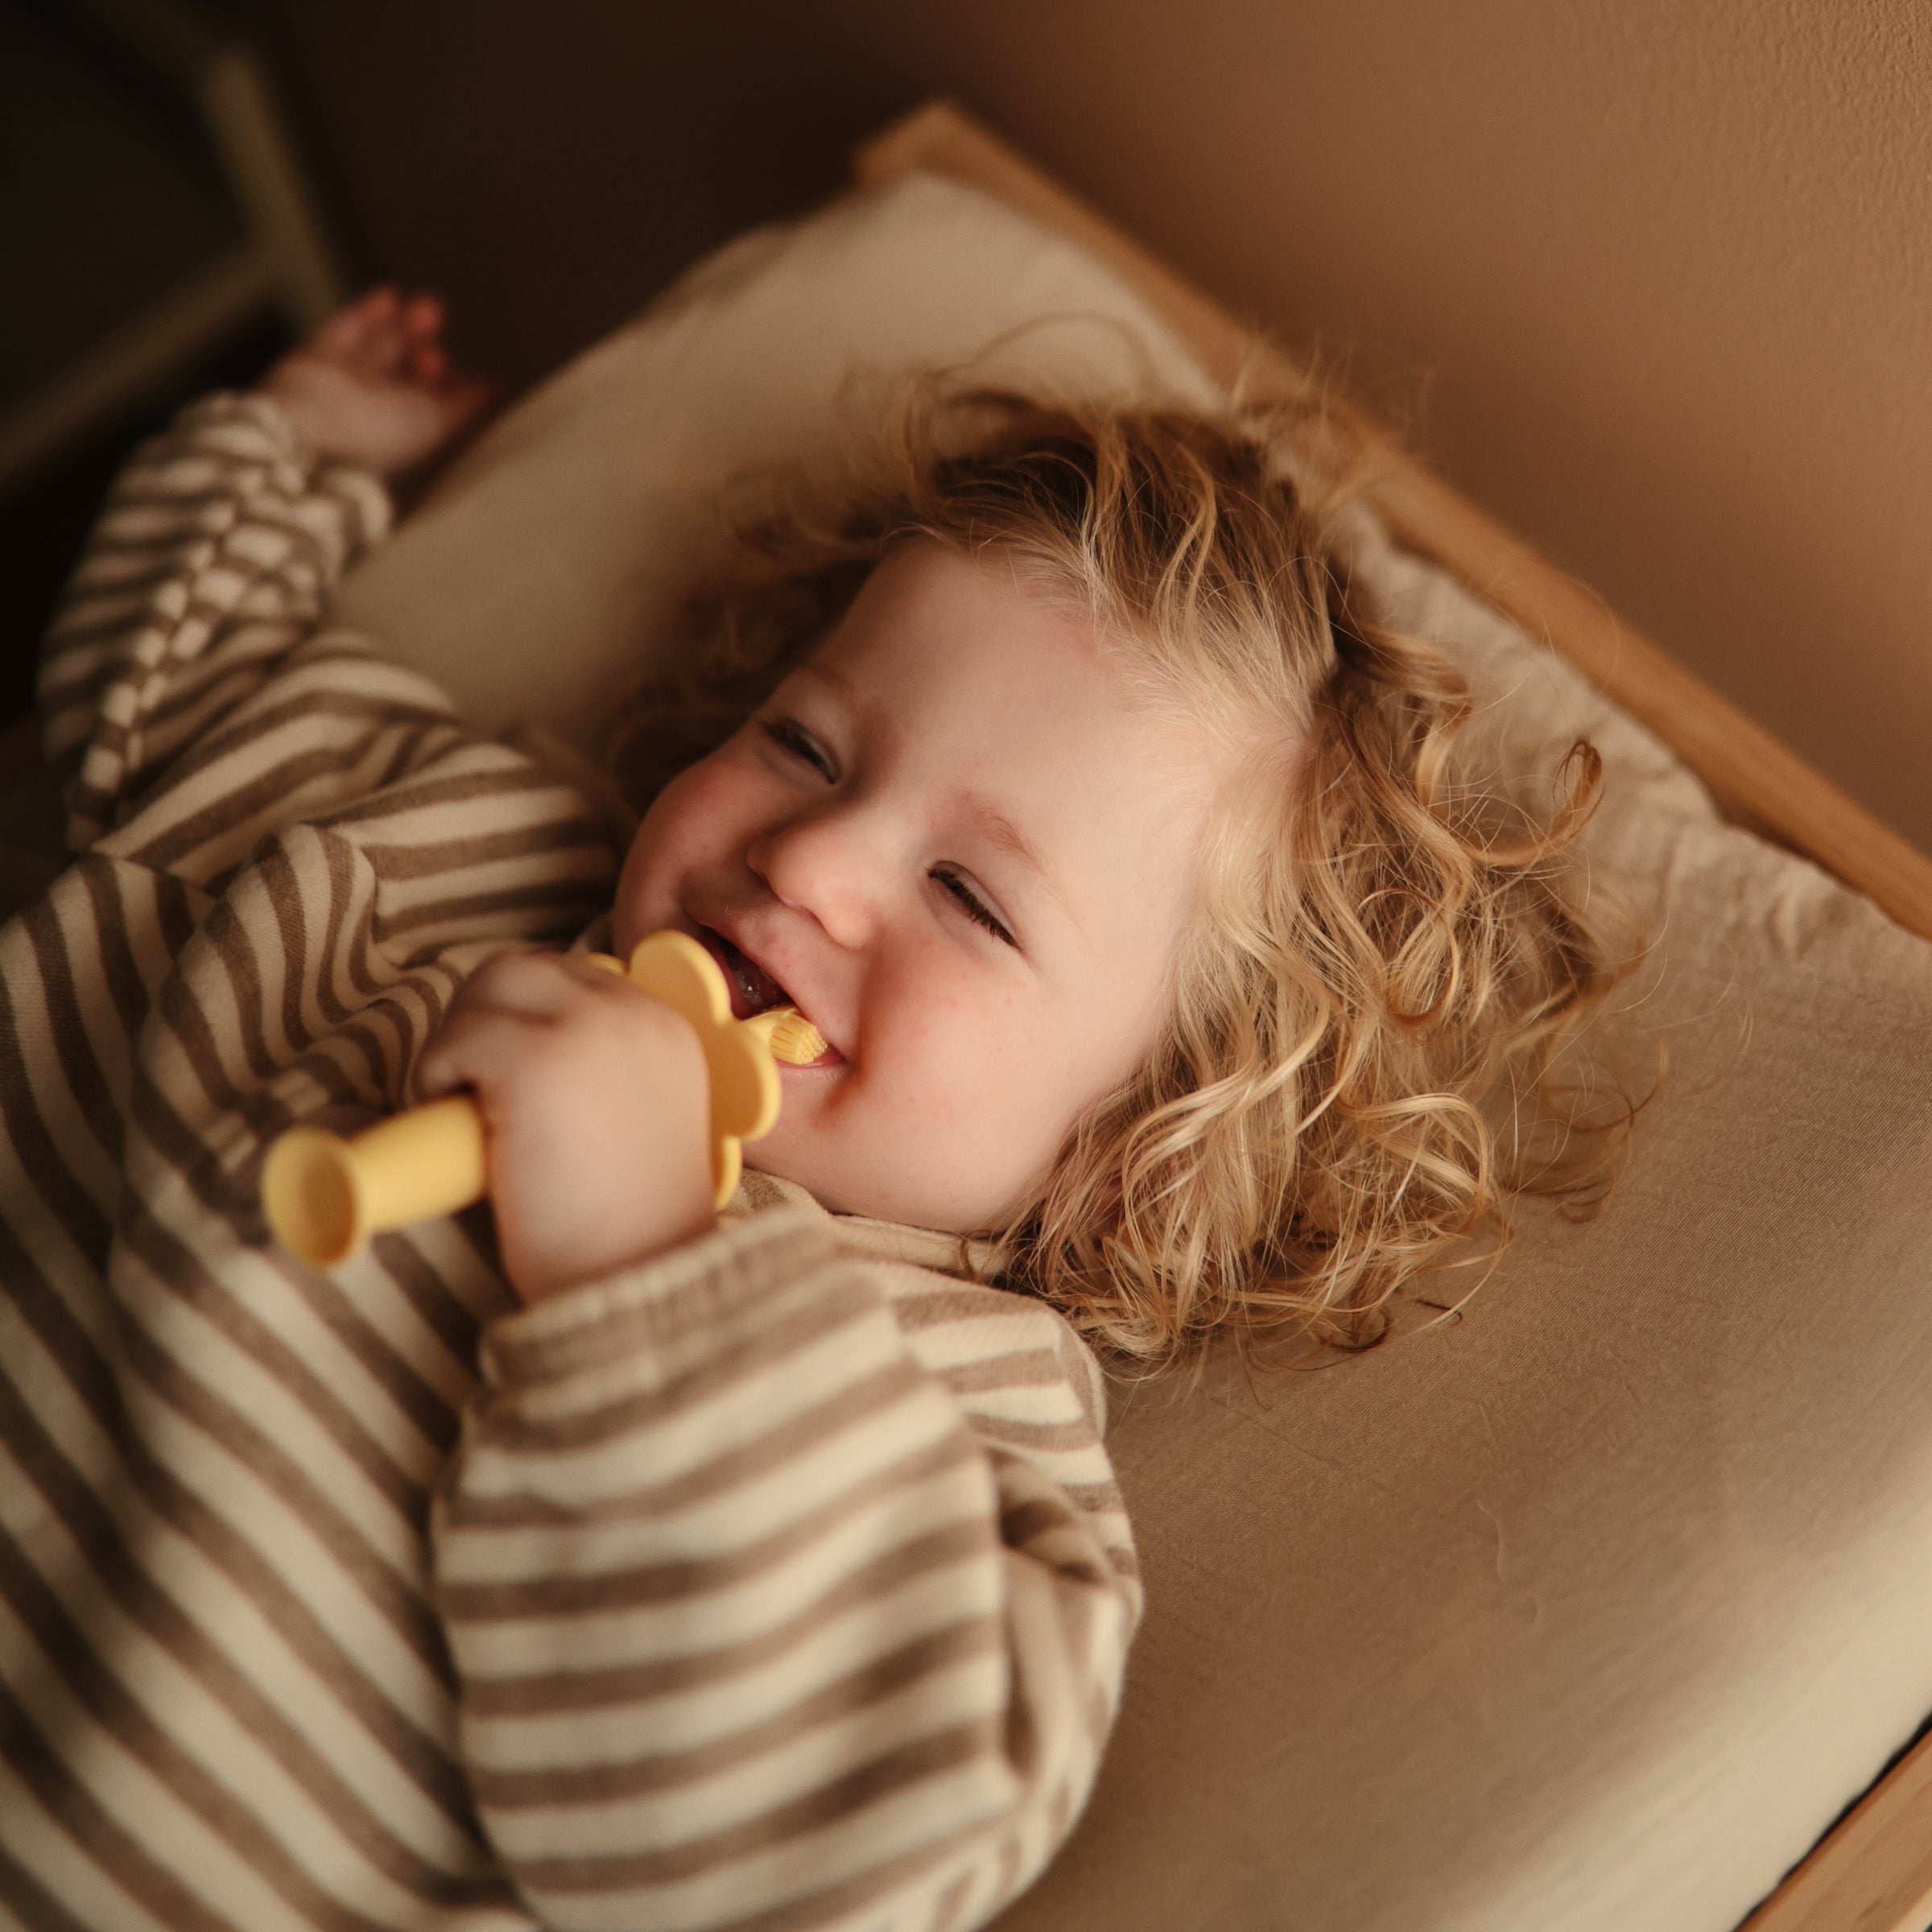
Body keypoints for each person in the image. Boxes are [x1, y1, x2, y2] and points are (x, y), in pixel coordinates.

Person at [1, 287, 1627, 1931]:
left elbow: (803, 1840)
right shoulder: (448, 831)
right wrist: (288, 449)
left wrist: (640, 1256)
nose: (812, 862)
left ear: (1136, 1164)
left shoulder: (962, 1422)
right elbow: (167, 699)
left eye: (972, 900)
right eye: (804, 744)